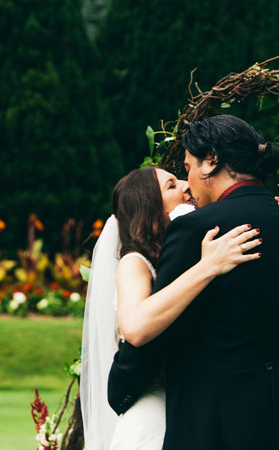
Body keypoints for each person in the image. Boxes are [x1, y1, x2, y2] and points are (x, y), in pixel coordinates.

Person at [108, 115, 279, 449]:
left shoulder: (199, 230)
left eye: (187, 167)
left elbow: (154, 338)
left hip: (216, 422)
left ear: (211, 161)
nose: (188, 183)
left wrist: (121, 389)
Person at [80, 166, 262, 450]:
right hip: (153, 416)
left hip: (194, 409)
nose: (186, 185)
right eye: (171, 185)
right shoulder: (135, 263)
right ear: (149, 208)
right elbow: (136, 329)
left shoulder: (186, 254)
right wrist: (207, 267)